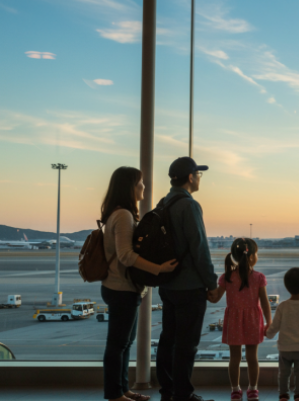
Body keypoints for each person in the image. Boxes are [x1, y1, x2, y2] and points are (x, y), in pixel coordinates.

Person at [100, 167, 179, 401]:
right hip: (120, 289)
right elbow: (125, 255)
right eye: (141, 183)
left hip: (120, 287)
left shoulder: (118, 213)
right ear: (130, 187)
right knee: (118, 345)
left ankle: (122, 390)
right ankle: (114, 394)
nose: (144, 187)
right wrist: (159, 269)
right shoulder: (123, 215)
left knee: (123, 344)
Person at [156, 157, 219, 401]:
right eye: (199, 174)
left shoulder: (164, 202)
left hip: (168, 283)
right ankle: (183, 395)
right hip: (190, 286)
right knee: (186, 344)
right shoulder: (189, 205)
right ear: (191, 177)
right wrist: (212, 284)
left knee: (168, 340)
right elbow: (200, 249)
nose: (200, 178)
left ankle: (168, 391)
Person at [208, 238, 272, 401]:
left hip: (233, 320)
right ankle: (252, 389)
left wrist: (204, 290)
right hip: (252, 320)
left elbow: (215, 298)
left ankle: (235, 390)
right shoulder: (259, 277)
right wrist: (269, 322)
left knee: (234, 358)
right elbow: (265, 303)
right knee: (252, 358)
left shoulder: (226, 277)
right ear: (251, 257)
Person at [265, 267, 299, 401]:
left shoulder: (282, 306)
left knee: (284, 373)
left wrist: (269, 334)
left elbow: (275, 326)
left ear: (287, 288)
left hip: (285, 348)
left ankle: (283, 395)